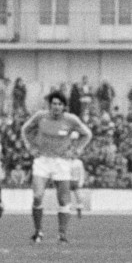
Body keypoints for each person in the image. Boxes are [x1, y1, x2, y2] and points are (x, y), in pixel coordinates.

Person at [19, 90, 92, 243]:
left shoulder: (71, 120)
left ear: (64, 106)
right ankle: (38, 232)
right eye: (54, 104)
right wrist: (30, 147)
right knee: (37, 196)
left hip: (62, 162)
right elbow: (25, 130)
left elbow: (87, 134)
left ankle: (62, 234)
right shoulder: (40, 116)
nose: (56, 107)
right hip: (42, 161)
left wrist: (76, 150)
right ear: (50, 105)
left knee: (63, 200)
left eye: (59, 104)